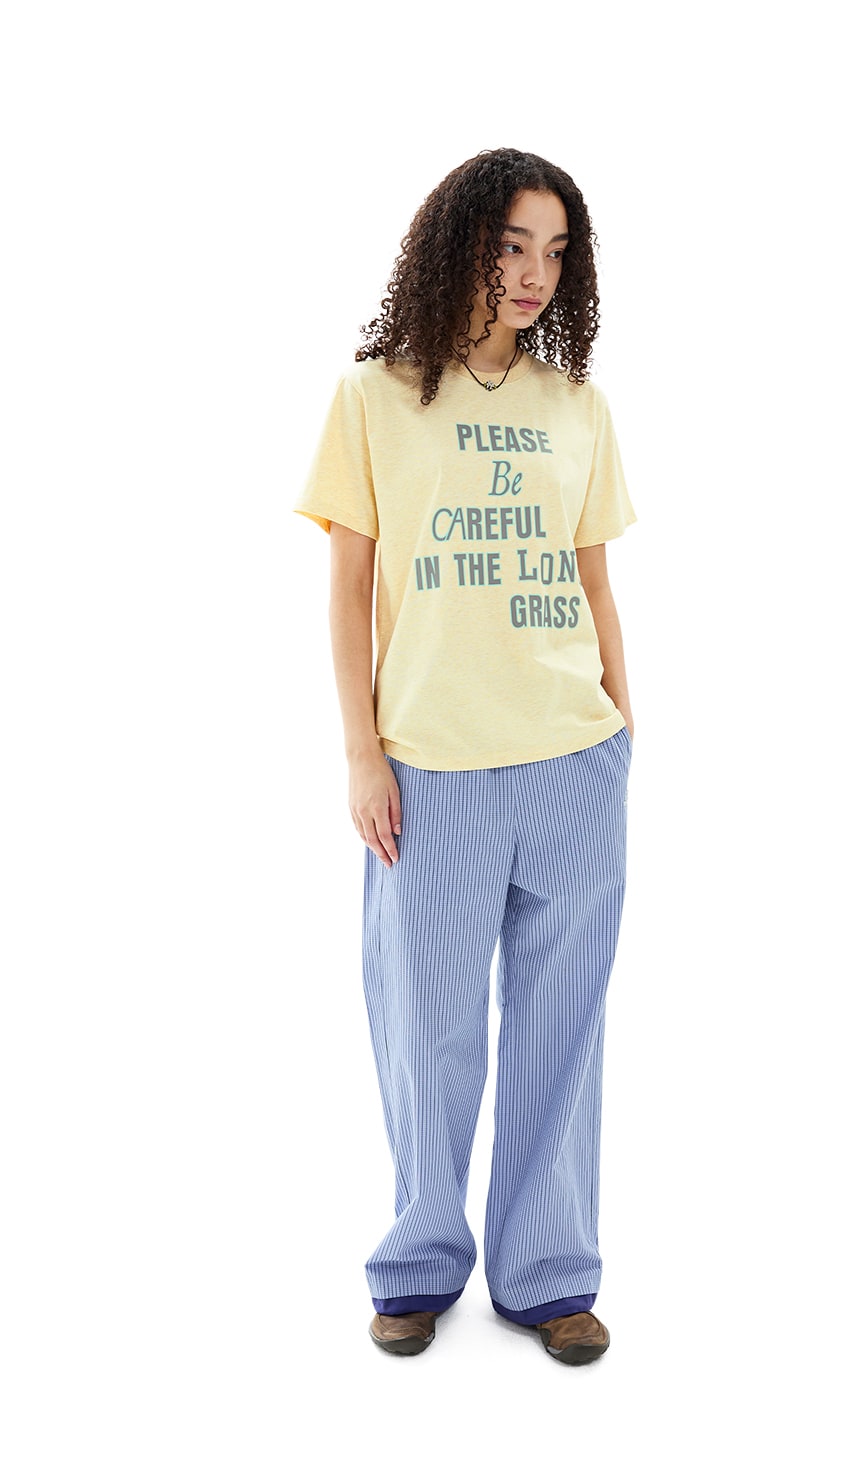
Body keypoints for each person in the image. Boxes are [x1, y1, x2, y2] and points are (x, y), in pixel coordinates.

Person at [294, 147, 636, 1364]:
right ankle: (418, 1264)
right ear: (458, 245)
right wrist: (360, 753)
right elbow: (348, 590)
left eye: (554, 251)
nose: (534, 272)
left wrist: (624, 731)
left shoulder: (575, 407)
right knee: (423, 1031)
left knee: (561, 1033)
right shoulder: (374, 398)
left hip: (571, 762)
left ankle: (548, 1276)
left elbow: (593, 582)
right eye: (510, 246)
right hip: (429, 768)